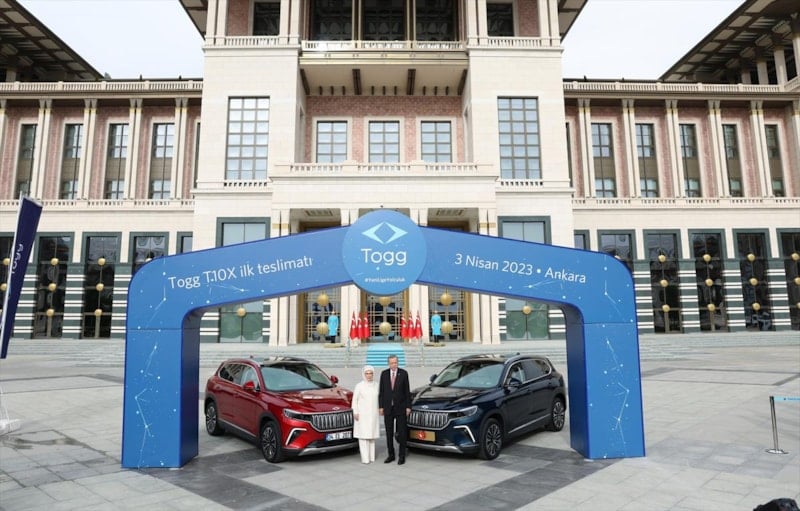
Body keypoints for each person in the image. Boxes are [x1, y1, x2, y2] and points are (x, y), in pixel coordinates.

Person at [378, 354, 411, 465]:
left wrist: (408, 406)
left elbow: (407, 391)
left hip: (401, 408)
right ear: (388, 363)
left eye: (395, 362)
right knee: (389, 433)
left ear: (398, 363)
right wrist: (381, 406)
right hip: (388, 408)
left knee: (402, 432)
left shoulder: (403, 373)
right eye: (391, 363)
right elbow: (381, 392)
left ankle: (402, 456)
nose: (393, 365)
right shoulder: (384, 374)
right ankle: (391, 455)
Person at [351, 364, 379, 464]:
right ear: (364, 374)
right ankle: (365, 458)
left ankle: (371, 457)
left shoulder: (376, 385)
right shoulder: (359, 386)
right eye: (367, 373)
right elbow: (354, 400)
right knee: (363, 436)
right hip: (362, 415)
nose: (369, 375)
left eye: (370, 373)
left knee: (371, 436)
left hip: (373, 414)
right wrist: (355, 412)